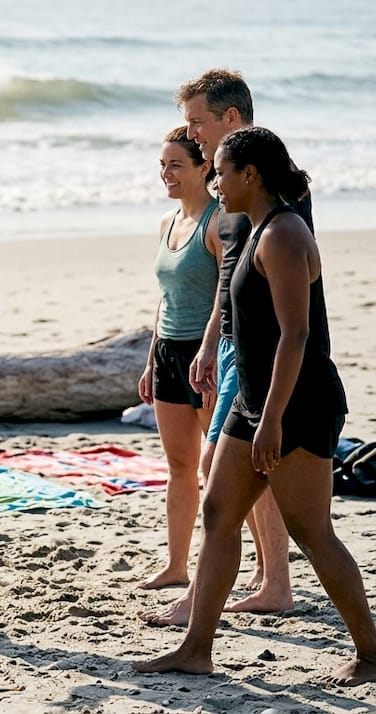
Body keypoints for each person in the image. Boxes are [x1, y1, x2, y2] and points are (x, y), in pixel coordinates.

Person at [134, 127, 376, 686]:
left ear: (251, 175)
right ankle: (196, 648)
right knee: (219, 513)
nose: (215, 182)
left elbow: (296, 336)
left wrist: (271, 421)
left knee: (312, 531)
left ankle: (371, 651)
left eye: (221, 172)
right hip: (255, 398)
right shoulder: (253, 227)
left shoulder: (284, 233)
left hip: (295, 405)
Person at [140, 69, 303, 625]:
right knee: (235, 471)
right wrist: (213, 344)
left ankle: (258, 586)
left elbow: (288, 284)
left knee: (225, 471)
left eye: (197, 122)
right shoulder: (228, 189)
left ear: (230, 118)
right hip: (231, 346)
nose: (192, 134)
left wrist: (241, 349)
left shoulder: (263, 188)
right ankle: (268, 579)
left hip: (259, 348)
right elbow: (230, 281)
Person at [136, 127, 220, 590]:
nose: (166, 174)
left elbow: (226, 297)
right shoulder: (167, 223)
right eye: (162, 165)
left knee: (222, 470)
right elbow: (165, 298)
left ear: (203, 167)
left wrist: (210, 352)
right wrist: (152, 359)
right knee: (180, 468)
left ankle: (265, 567)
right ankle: (176, 566)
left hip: (204, 356)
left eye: (176, 165)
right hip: (169, 351)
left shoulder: (218, 221)